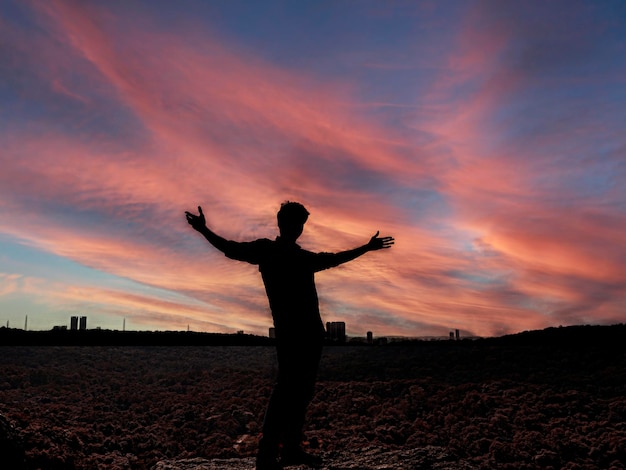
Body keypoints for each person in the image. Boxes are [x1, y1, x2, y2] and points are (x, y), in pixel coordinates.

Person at [185, 201, 394, 469]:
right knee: (288, 392)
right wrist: (366, 248)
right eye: (298, 223)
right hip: (299, 335)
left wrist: (204, 230)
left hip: (303, 335)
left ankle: (287, 450)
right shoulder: (285, 255)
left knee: (299, 392)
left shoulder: (277, 253)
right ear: (289, 225)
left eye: (301, 224)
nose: (299, 229)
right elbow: (231, 249)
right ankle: (269, 455)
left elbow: (231, 249)